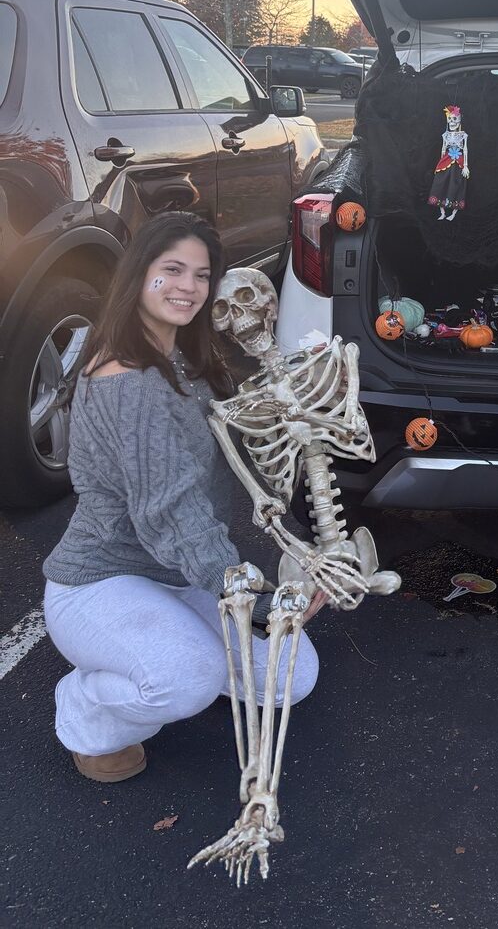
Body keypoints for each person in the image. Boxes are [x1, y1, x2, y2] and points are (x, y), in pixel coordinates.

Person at [42, 213, 320, 784]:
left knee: (294, 676)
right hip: (100, 581)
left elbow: (246, 469)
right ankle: (87, 709)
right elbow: (174, 515)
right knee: (185, 679)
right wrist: (255, 600)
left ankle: (179, 655)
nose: (187, 287)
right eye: (171, 270)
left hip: (172, 578)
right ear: (137, 274)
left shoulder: (189, 363)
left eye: (201, 274)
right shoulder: (126, 380)